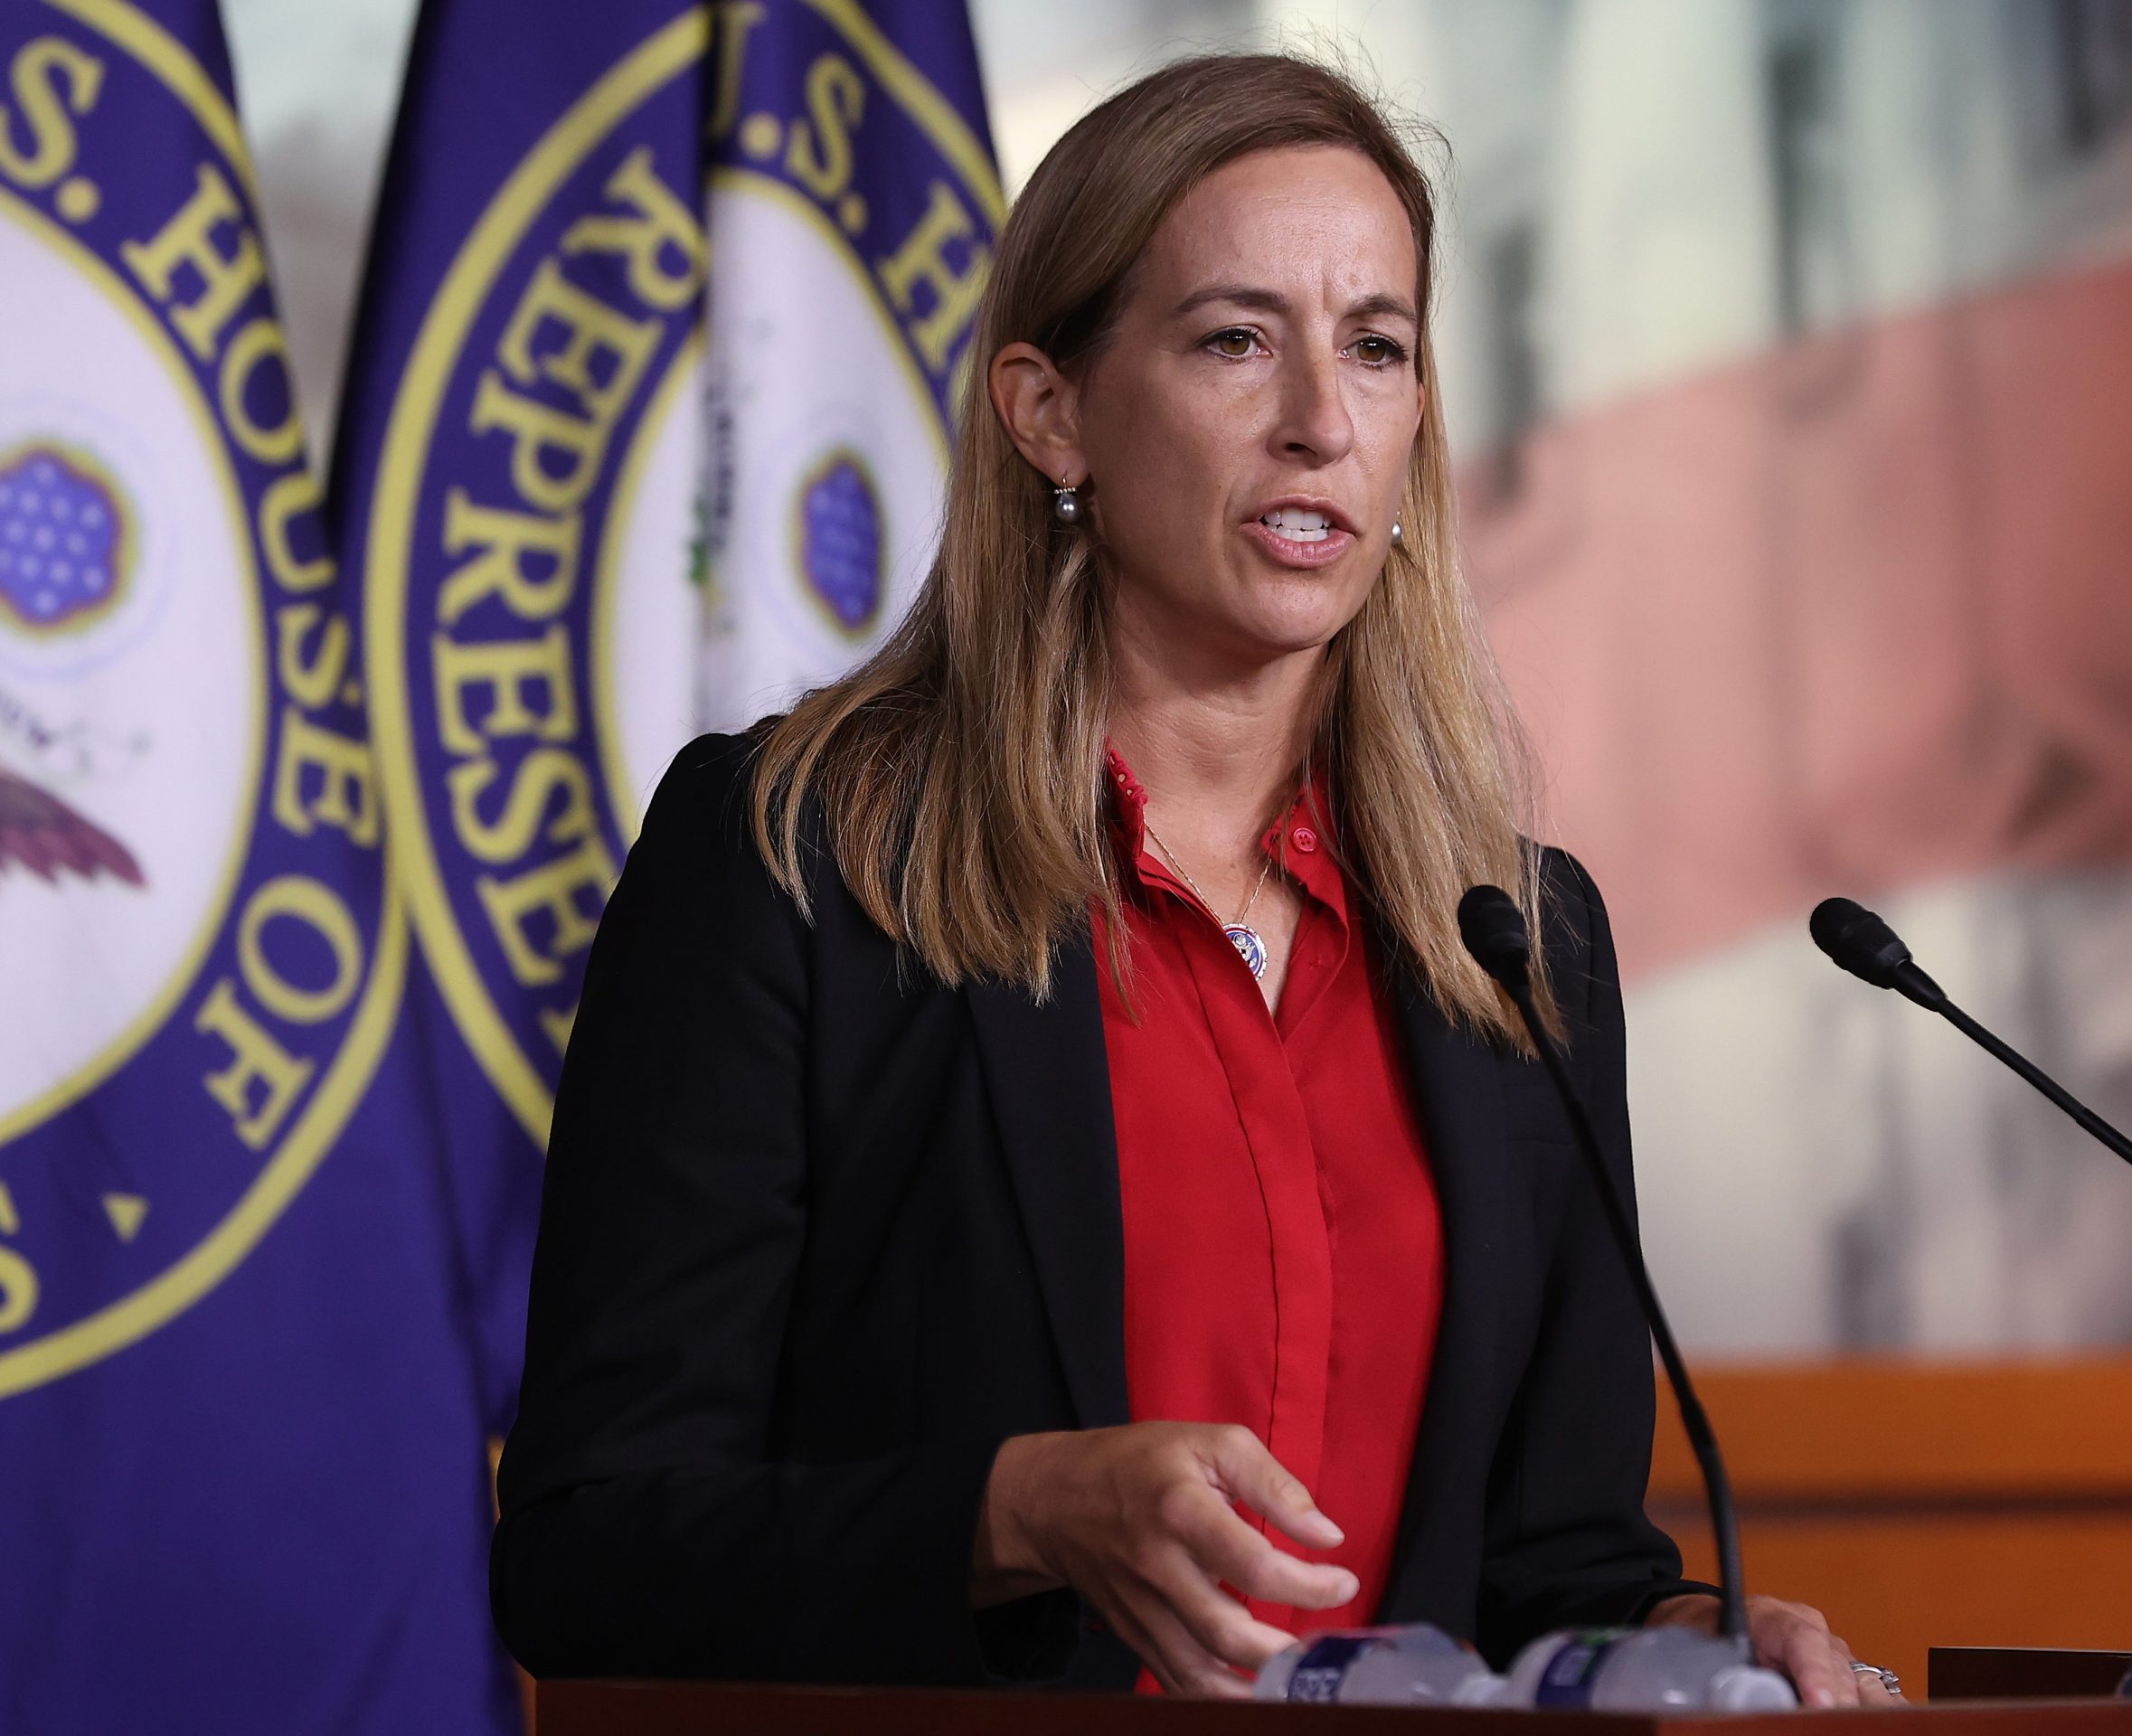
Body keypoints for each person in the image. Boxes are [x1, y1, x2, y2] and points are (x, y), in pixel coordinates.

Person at [489, 52, 1900, 1707]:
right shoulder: (801, 861)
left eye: (1377, 346)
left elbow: (1547, 1565)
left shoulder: (1517, 936)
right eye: (1236, 339)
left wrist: (1680, 1644)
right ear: (1051, 409)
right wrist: (1018, 1511)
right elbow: (592, 1549)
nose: (1322, 417)